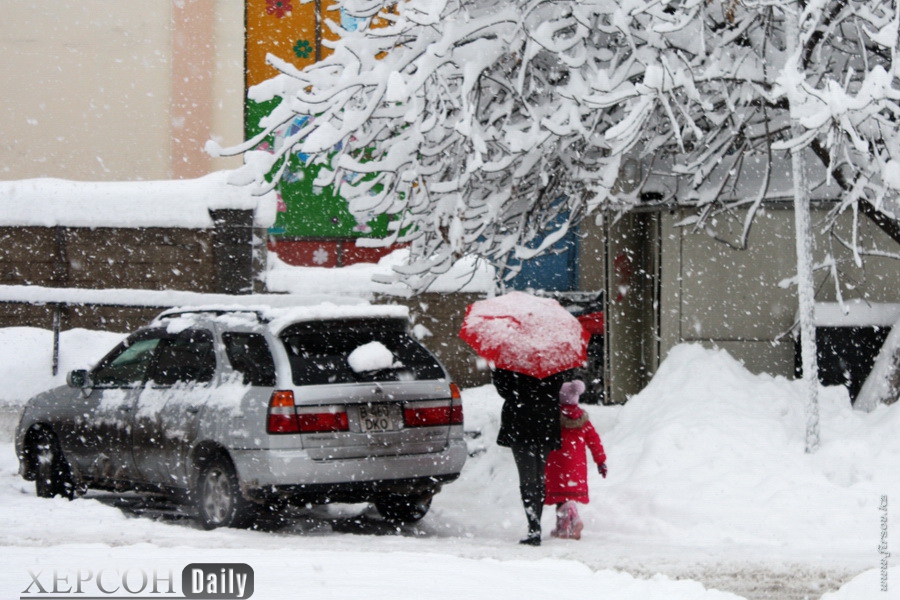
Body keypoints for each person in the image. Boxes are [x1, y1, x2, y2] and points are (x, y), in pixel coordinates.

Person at [492, 367, 568, 546]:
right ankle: (535, 525)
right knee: (538, 476)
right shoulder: (552, 359)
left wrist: (497, 373)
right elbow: (556, 388)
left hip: (521, 422)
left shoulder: (511, 361)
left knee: (528, 478)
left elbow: (505, 391)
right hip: (546, 422)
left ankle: (534, 527)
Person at [544, 379, 607, 540]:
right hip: (576, 465)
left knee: (560, 496)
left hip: (556, 463)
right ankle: (564, 525)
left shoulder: (552, 418)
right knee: (568, 494)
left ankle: (572, 521)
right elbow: (594, 441)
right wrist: (601, 461)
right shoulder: (583, 421)